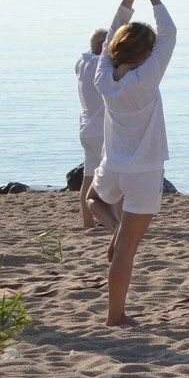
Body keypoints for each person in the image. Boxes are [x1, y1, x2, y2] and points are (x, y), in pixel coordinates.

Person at [86, 0, 177, 327]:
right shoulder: (146, 78)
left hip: (113, 165)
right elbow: (169, 32)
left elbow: (111, 38)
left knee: (93, 199)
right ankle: (116, 316)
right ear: (144, 54)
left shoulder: (103, 79)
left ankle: (115, 229)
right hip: (143, 171)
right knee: (126, 250)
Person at [74, 28, 108, 230]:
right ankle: (115, 220)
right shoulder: (100, 64)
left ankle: (88, 222)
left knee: (89, 178)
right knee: (116, 177)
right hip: (102, 130)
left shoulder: (82, 62)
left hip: (87, 129)